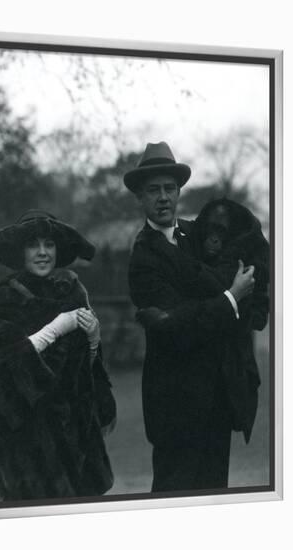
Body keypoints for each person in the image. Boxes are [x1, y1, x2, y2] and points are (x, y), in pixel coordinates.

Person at [125, 142, 257, 492]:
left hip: (217, 397)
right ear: (140, 197)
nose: (164, 197)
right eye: (154, 190)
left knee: (215, 500)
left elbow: (239, 264)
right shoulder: (143, 258)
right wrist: (230, 298)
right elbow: (178, 328)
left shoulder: (197, 235)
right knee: (173, 502)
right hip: (175, 406)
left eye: (170, 188)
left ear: (179, 191)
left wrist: (229, 297)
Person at [0, 210, 116, 501]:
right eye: (33, 244)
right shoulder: (5, 298)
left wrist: (93, 343)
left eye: (49, 244)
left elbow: (83, 375)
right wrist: (52, 331)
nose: (42, 253)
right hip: (28, 442)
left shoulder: (74, 291)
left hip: (76, 439)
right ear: (20, 251)